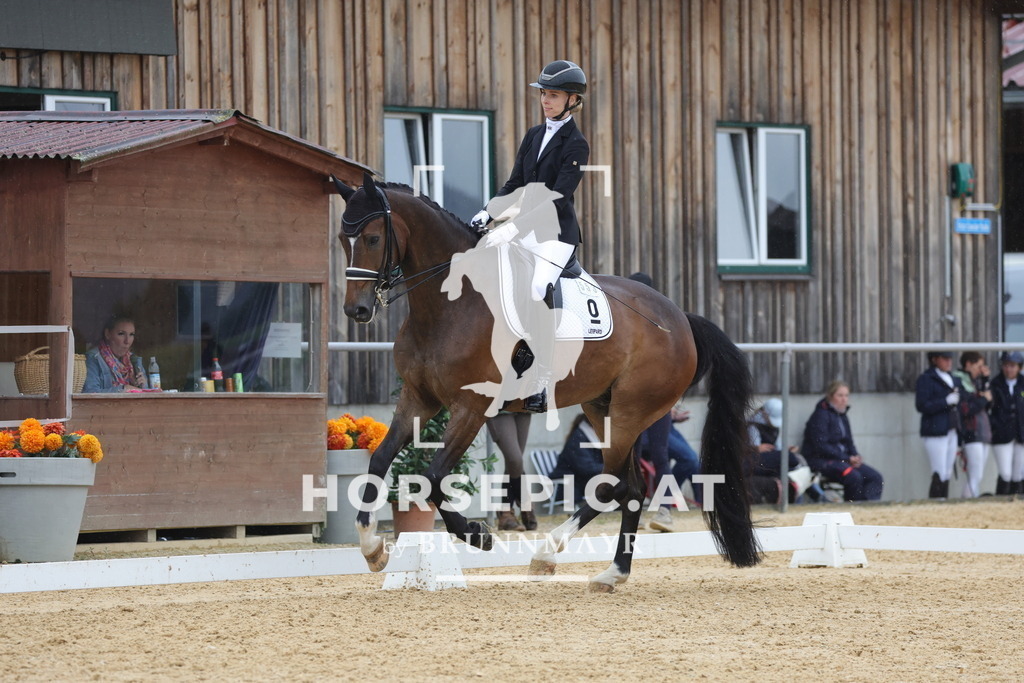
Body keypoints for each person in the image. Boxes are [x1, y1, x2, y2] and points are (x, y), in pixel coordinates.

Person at [470, 60, 590, 413]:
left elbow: (557, 197)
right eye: (543, 94)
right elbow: (515, 184)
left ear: (572, 100)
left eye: (552, 95)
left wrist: (513, 227)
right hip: (523, 228)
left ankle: (541, 378)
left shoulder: (576, 145)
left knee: (538, 288)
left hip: (555, 234)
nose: (545, 101)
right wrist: (488, 212)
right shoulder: (534, 135)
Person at [800, 381, 884, 501]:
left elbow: (849, 442)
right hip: (821, 461)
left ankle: (868, 507)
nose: (844, 399)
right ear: (830, 396)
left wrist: (855, 456)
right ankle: (852, 509)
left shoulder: (842, 415)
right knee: (853, 477)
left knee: (875, 477)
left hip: (843, 460)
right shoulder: (820, 416)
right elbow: (821, 446)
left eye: (846, 395)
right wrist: (846, 458)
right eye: (840, 395)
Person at [915, 350, 965, 498]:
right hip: (935, 430)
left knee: (948, 470)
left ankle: (944, 501)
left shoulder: (953, 378)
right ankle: (936, 501)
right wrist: (945, 402)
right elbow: (922, 405)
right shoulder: (926, 379)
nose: (949, 362)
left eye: (950, 358)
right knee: (939, 470)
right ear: (935, 359)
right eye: (945, 358)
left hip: (952, 428)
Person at [748, 398, 814, 504]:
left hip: (771, 459)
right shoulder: (753, 426)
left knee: (797, 460)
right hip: (759, 461)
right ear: (764, 413)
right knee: (792, 462)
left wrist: (785, 450)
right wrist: (757, 448)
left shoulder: (774, 428)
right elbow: (752, 449)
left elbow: (777, 446)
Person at [953, 352, 992, 497]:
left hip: (982, 433)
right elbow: (965, 409)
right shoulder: (959, 381)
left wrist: (986, 379)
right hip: (971, 432)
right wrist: (982, 400)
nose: (981, 370)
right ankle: (968, 504)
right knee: (975, 475)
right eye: (979, 366)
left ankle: (970, 501)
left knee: (978, 475)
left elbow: (989, 403)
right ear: (968, 364)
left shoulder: (975, 382)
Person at [487, 413, 536, 531]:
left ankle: (506, 515)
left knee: (513, 463)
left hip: (523, 404)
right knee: (514, 460)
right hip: (500, 406)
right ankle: (525, 502)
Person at [82, 315, 149, 393]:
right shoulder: (93, 358)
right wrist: (123, 389)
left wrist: (143, 386)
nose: (127, 341)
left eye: (131, 334)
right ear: (108, 334)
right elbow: (89, 393)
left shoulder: (134, 360)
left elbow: (147, 396)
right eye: (121, 334)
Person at [988, 351, 1024, 495]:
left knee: (1018, 473)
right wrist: (995, 425)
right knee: (1005, 473)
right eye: (1006, 365)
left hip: (1021, 434)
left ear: (1019, 367)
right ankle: (1001, 501)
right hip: (1002, 433)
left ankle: (1018, 503)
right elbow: (990, 409)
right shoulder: (995, 384)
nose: (1009, 369)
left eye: (1012, 366)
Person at [548, 413, 603, 505]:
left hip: (580, 483)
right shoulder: (578, 439)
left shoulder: (589, 438)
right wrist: (610, 468)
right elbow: (586, 468)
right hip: (568, 489)